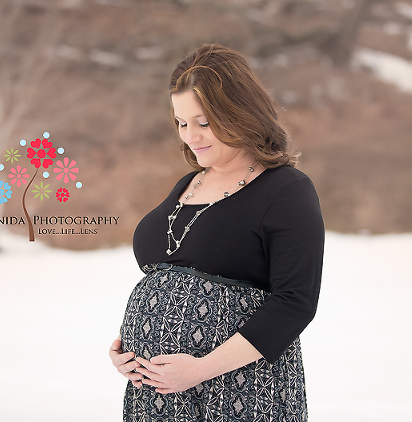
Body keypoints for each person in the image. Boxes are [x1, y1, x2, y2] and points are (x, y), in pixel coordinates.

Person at [109, 43, 325, 421]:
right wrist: (131, 353)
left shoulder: (286, 190)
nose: (191, 136)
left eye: (203, 122)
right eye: (181, 122)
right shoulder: (187, 184)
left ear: (239, 113)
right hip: (158, 397)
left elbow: (296, 303)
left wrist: (198, 369)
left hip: (241, 393)